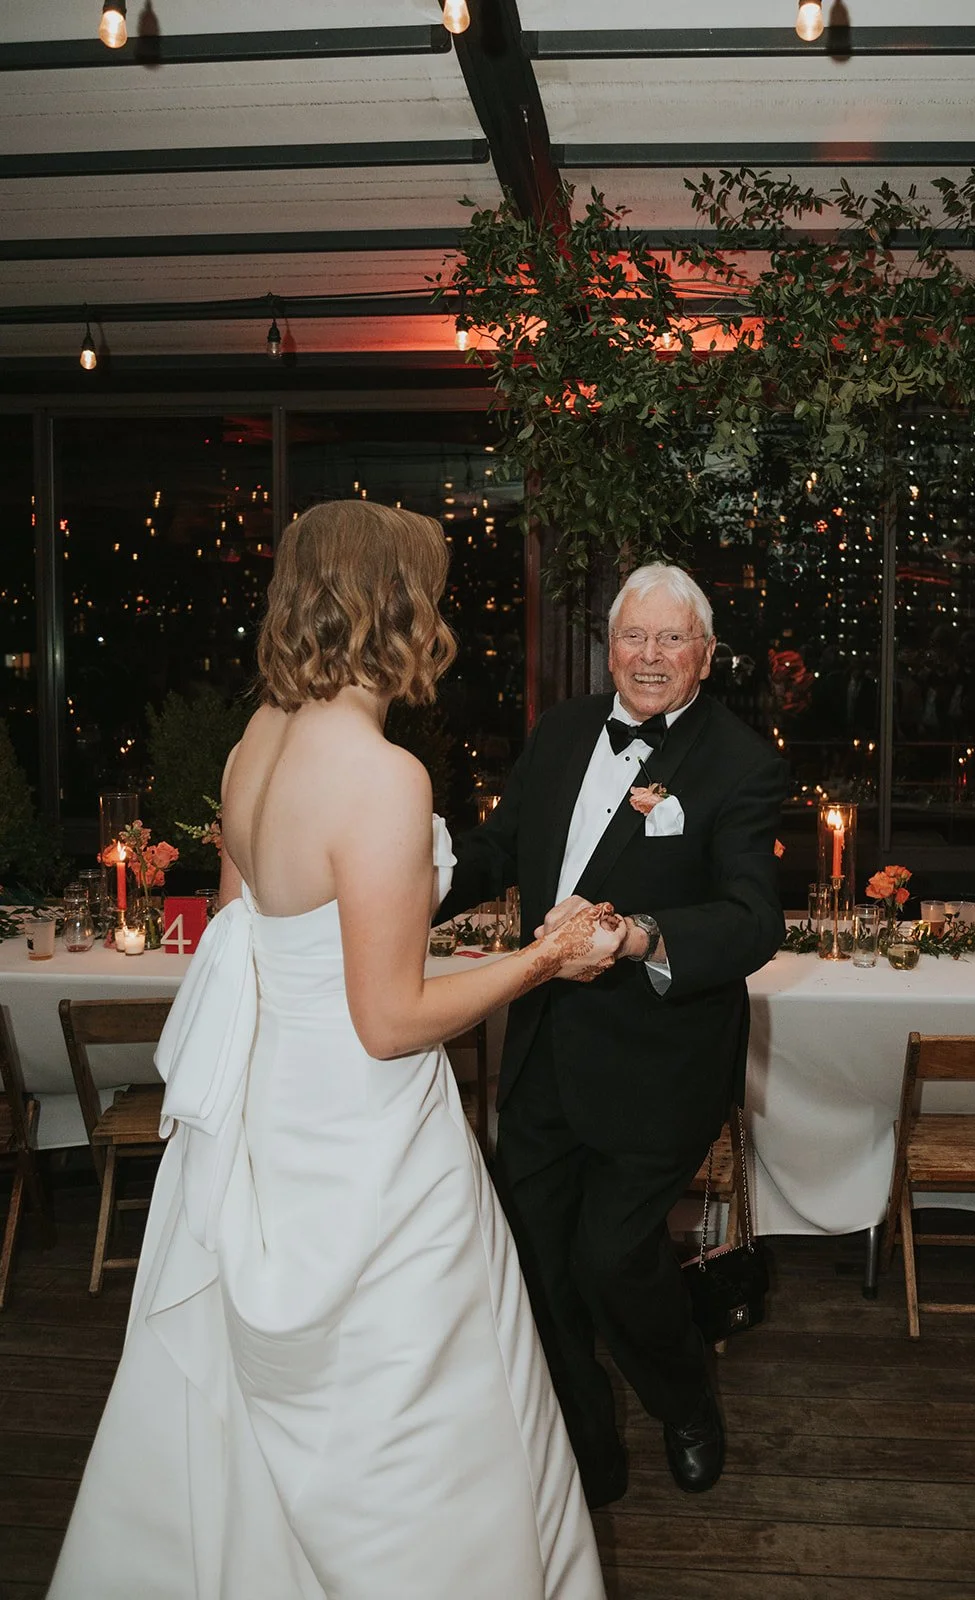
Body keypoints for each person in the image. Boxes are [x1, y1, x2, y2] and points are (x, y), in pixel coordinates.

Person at [48, 501, 622, 1600]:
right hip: (370, 1137)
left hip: (270, 1122)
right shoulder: (381, 775)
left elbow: (242, 937)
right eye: (435, 594)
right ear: (395, 607)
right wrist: (545, 959)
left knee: (247, 1414)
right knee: (430, 1399)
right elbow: (389, 1019)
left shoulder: (253, 743)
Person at [438, 562, 787, 1508]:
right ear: (610, 646)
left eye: (672, 639)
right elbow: (499, 849)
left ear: (705, 657)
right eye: (634, 636)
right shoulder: (558, 734)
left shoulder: (742, 763)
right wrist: (408, 879)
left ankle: (685, 1402)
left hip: (659, 1064)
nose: (649, 656)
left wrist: (642, 937)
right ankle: (583, 1443)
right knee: (539, 1262)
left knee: (612, 1259)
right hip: (546, 1050)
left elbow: (755, 918)